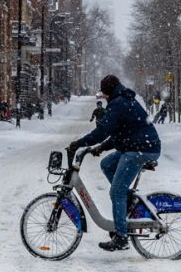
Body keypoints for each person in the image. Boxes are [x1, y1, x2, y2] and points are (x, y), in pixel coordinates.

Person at [68, 74, 161, 252]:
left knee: (117, 190)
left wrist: (79, 143)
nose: (103, 96)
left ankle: (121, 237)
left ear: (108, 92)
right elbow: (120, 133)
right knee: (106, 164)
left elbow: (103, 131)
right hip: (136, 146)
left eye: (103, 93)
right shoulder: (121, 100)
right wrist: (101, 148)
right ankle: (125, 204)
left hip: (142, 149)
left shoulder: (118, 103)